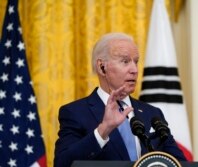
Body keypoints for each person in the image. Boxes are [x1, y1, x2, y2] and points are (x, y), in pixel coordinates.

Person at [54, 32, 186, 167]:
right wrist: (102, 131)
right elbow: (62, 163)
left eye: (136, 61)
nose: (134, 70)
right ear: (102, 67)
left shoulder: (152, 114)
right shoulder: (75, 112)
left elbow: (178, 162)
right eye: (125, 61)